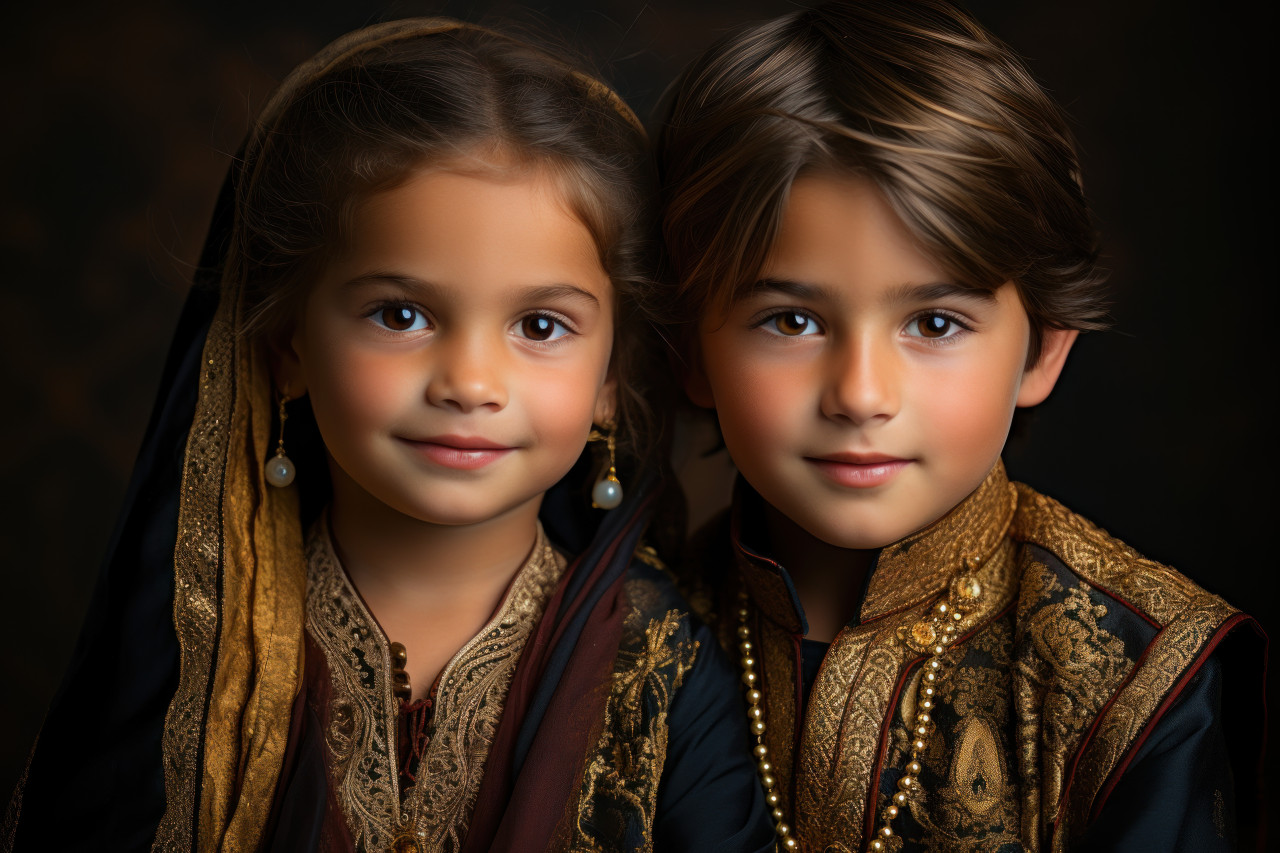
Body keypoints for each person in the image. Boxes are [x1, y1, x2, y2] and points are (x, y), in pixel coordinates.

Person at [4, 19, 774, 853]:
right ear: (288, 344)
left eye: (542, 325)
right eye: (400, 314)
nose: (471, 383)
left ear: (614, 381)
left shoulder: (668, 670)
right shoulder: (192, 653)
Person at [654, 1, 1266, 850]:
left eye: (934, 324)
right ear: (691, 352)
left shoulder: (1134, 674)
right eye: (792, 322)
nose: (861, 395)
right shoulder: (634, 632)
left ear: (1043, 350)